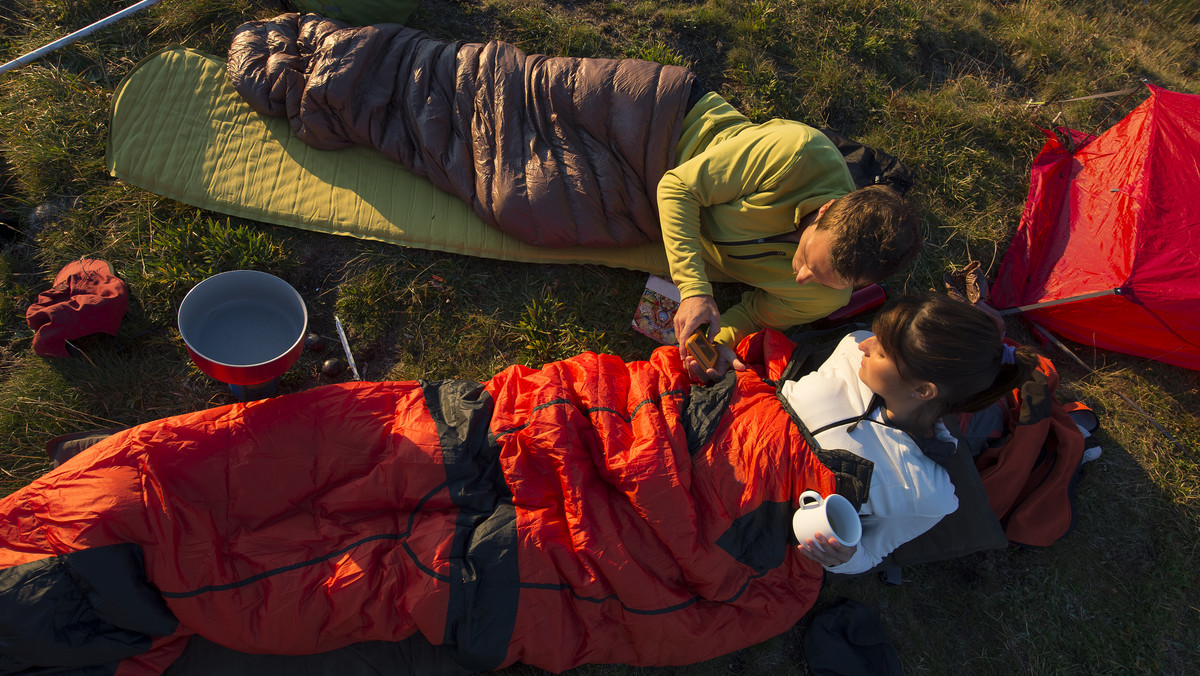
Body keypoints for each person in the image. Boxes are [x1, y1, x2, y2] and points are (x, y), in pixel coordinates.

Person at [0, 295, 1017, 673]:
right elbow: (702, 385)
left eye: (875, 362)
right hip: (527, 436)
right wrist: (706, 364)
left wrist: (819, 546)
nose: (854, 356)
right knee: (313, 444)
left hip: (573, 557)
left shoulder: (917, 486)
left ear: (925, 390)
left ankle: (79, 589)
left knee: (353, 570)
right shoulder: (844, 348)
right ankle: (88, 527)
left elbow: (813, 564)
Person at [226, 13, 921, 382]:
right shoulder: (800, 155)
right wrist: (695, 285)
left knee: (516, 199)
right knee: (494, 96)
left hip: (637, 200)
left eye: (822, 280)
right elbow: (681, 186)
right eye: (810, 255)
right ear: (828, 210)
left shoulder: (826, 293)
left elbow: (759, 309)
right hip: (654, 124)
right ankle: (357, 60)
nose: (803, 275)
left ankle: (368, 86)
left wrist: (715, 341)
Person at [782, 294, 1037, 574]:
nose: (865, 343)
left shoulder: (927, 492)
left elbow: (869, 553)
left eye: (881, 352)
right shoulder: (852, 351)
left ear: (923, 390)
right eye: (876, 335)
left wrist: (845, 557)